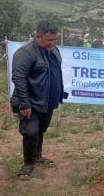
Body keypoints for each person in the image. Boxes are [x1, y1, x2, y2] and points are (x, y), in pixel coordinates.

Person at [11, 21, 67, 180]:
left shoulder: (54, 50)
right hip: (31, 102)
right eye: (49, 40)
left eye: (55, 39)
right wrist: (24, 103)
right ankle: (28, 165)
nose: (53, 43)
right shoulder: (25, 53)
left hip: (48, 101)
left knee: (41, 129)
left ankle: (37, 155)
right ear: (37, 37)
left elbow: (55, 73)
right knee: (31, 132)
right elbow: (19, 78)